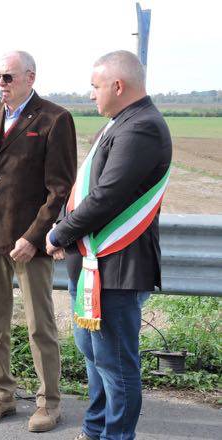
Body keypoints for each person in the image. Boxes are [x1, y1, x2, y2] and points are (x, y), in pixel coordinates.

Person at [46, 50, 172, 440]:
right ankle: (96, 427)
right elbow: (88, 193)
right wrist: (64, 227)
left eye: (95, 87)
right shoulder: (123, 122)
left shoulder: (142, 127)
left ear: (118, 86)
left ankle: (116, 435)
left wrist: (58, 234)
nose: (90, 95)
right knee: (94, 356)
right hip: (93, 265)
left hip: (116, 266)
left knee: (115, 364)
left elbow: (107, 197)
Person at [0, 51, 77, 432]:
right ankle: (2, 395)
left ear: (30, 77)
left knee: (40, 325)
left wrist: (34, 236)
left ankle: (49, 403)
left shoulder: (54, 119)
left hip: (29, 242)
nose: (1, 84)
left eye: (8, 77)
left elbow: (59, 189)